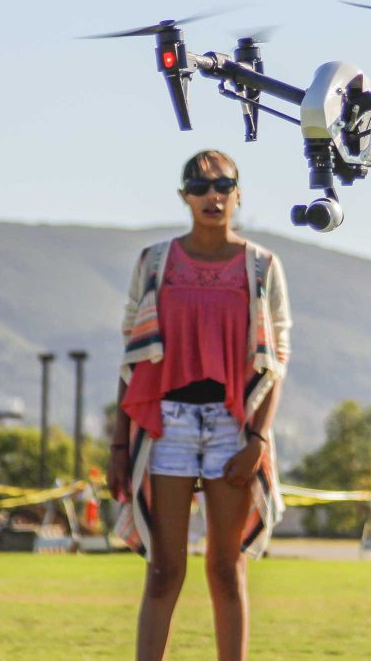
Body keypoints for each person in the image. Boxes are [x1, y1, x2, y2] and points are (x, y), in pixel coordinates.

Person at [107, 149, 292, 661]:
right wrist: (118, 445)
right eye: (200, 186)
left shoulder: (261, 265)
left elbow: (278, 355)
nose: (212, 195)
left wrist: (257, 438)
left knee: (225, 569)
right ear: (184, 196)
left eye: (223, 185)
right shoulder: (155, 262)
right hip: (166, 422)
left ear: (238, 193)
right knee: (165, 569)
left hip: (233, 426)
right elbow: (132, 353)